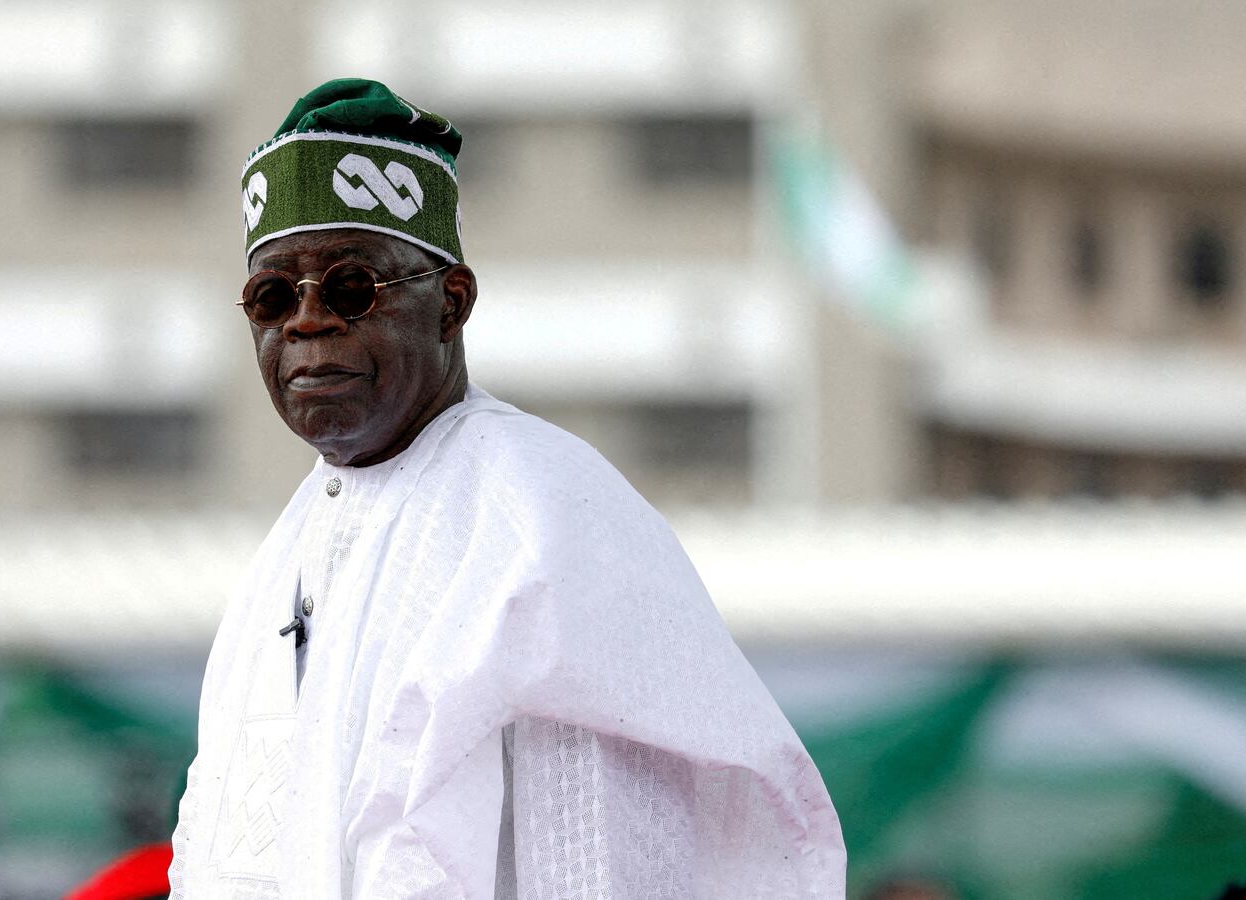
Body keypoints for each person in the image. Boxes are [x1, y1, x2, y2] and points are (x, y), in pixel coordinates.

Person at [169, 78, 844, 898]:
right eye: (272, 297)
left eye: (351, 288)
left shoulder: (546, 516)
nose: (307, 322)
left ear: (452, 304)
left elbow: (600, 860)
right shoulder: (287, 547)